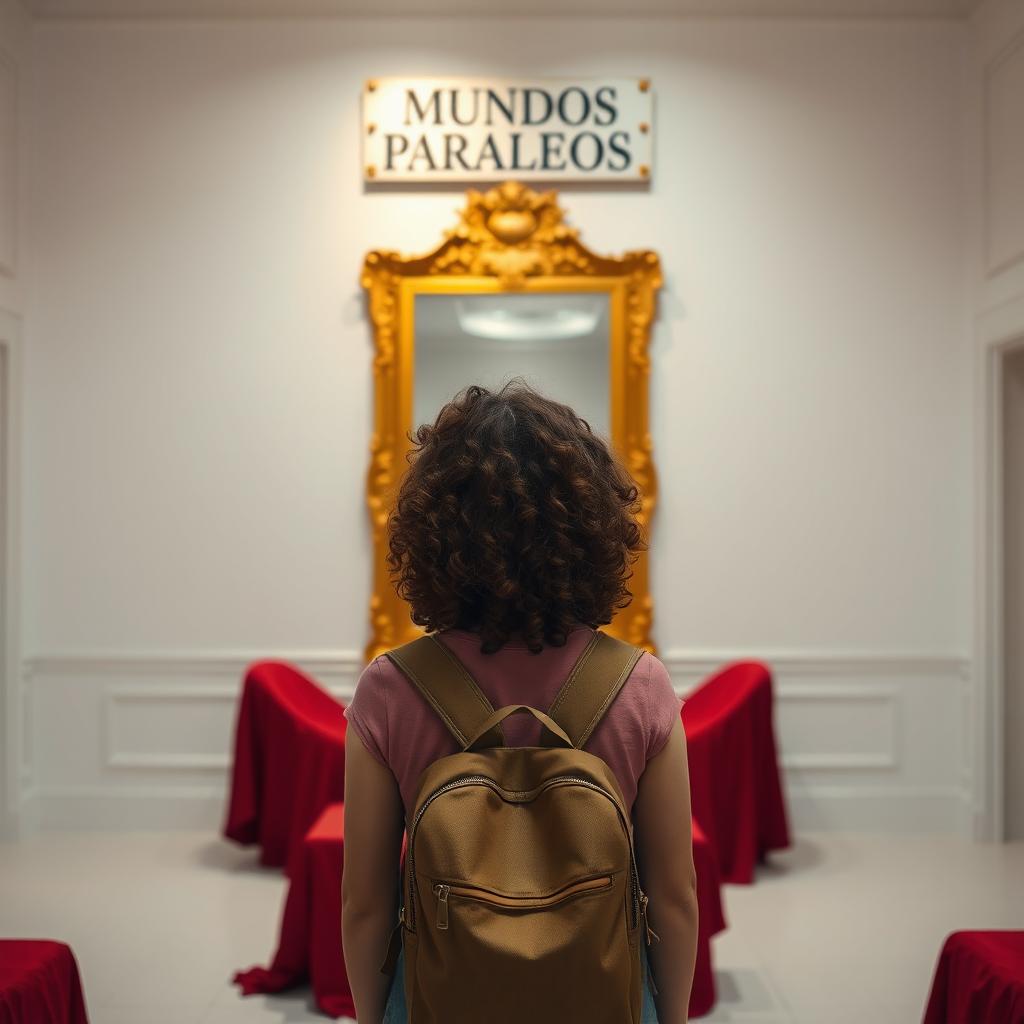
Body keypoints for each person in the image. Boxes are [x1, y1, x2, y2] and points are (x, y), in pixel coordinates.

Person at [342, 379, 699, 1023]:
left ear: (432, 533)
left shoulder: (391, 686)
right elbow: (673, 897)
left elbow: (365, 905)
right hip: (600, 993)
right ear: (594, 530)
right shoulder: (640, 683)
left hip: (441, 994)